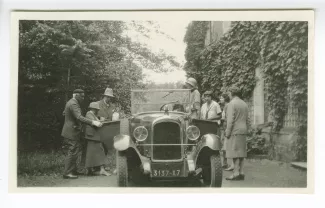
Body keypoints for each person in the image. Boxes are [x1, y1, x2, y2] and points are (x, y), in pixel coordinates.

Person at [61, 89, 102, 179]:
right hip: (71, 132)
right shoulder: (73, 103)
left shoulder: (70, 102)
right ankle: (67, 172)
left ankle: (72, 170)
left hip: (70, 130)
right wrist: (93, 122)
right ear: (76, 95)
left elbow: (65, 113)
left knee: (74, 151)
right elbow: (79, 117)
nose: (83, 98)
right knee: (72, 151)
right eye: (82, 96)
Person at [225, 86, 250, 181]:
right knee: (242, 152)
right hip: (243, 130)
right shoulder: (244, 104)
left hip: (235, 130)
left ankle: (235, 173)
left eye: (229, 93)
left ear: (232, 93)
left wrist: (227, 132)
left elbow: (230, 120)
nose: (228, 95)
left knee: (234, 153)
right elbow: (248, 119)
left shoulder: (232, 104)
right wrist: (247, 129)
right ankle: (241, 172)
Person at [84, 102, 111, 176]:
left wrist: (102, 120)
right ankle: (101, 170)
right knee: (99, 151)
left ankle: (89, 170)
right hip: (92, 136)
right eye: (96, 109)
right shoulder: (89, 114)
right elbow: (96, 123)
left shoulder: (93, 115)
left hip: (93, 136)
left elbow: (97, 122)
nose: (97, 110)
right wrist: (101, 121)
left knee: (91, 153)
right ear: (94, 109)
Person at [219, 93, 234, 170]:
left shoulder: (228, 106)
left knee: (227, 146)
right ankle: (224, 163)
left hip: (226, 128)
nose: (220, 99)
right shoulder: (224, 106)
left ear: (225, 99)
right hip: (223, 128)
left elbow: (228, 118)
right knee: (223, 146)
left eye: (221, 98)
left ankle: (231, 164)